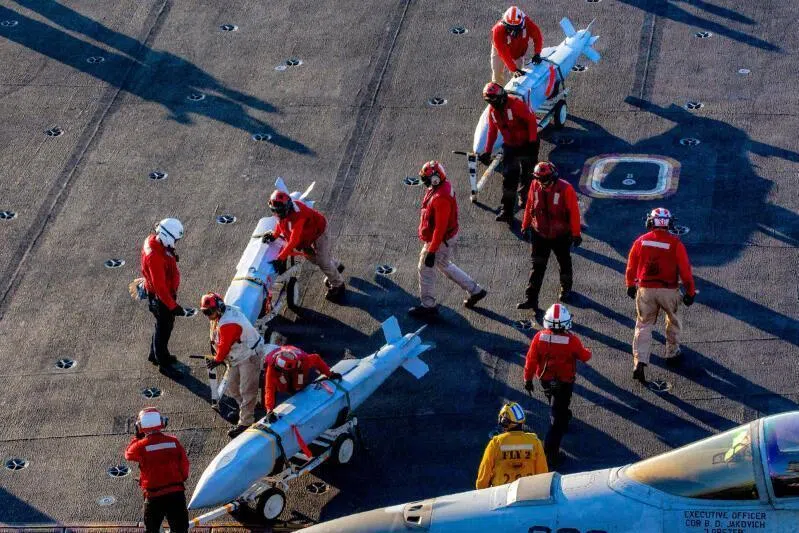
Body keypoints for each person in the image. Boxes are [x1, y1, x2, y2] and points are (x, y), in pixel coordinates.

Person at [408, 161, 487, 319]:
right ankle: (475, 290)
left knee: (425, 268)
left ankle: (428, 306)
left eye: (426, 178)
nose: (425, 182)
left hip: (439, 241)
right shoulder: (443, 187)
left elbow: (440, 228)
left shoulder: (440, 198)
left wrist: (431, 251)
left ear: (435, 179)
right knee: (444, 264)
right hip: (446, 239)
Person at [625, 208, 696, 384]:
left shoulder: (641, 241)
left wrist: (630, 285)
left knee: (643, 325)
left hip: (646, 290)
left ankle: (639, 361)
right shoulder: (675, 243)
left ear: (651, 222)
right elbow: (686, 271)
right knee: (673, 320)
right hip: (669, 290)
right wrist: (690, 292)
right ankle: (672, 353)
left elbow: (631, 266)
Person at [523, 303, 591, 468]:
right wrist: (587, 351)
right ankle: (550, 453)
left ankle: (563, 417)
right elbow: (585, 356)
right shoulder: (572, 340)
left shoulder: (539, 337)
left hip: (545, 379)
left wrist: (528, 379)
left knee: (554, 401)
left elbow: (531, 360)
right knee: (557, 418)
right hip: (565, 381)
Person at [201, 292, 274, 439]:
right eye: (205, 312)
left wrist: (216, 359)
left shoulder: (228, 323)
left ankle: (246, 422)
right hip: (236, 357)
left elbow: (225, 345)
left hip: (249, 356)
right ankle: (247, 408)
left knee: (247, 389)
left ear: (219, 307)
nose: (208, 315)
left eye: (209, 312)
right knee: (233, 388)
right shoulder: (220, 315)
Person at [518, 162, 582, 310]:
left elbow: (574, 212)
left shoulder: (566, 189)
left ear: (552, 177)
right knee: (537, 267)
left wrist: (576, 234)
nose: (541, 182)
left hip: (560, 235)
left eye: (544, 179)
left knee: (564, 263)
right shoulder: (535, 185)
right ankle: (531, 298)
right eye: (539, 179)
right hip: (539, 233)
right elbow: (529, 205)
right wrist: (525, 225)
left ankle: (565, 288)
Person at [262, 190, 346, 302]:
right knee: (313, 258)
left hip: (319, 231)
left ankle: (338, 285)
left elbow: (293, 240)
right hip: (307, 236)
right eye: (275, 212)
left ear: (287, 207)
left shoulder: (298, 215)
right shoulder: (282, 212)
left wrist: (280, 258)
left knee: (322, 261)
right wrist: (274, 235)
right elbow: (280, 223)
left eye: (279, 211)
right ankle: (335, 266)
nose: (277, 214)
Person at [478, 83, 539, 224]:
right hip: (511, 146)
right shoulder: (493, 112)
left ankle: (527, 199)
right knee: (509, 179)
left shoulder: (516, 105)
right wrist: (487, 151)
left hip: (527, 143)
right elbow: (492, 132)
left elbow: (531, 121)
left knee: (528, 174)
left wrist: (531, 142)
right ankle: (507, 210)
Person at [125, 408, 189, 533]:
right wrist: (181, 479)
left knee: (152, 530)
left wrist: (137, 437)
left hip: (154, 496)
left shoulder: (140, 446)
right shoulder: (174, 441)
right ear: (162, 423)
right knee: (180, 529)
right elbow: (185, 465)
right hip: (176, 494)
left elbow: (128, 454)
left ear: (140, 426)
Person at [140, 218, 186, 379]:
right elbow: (160, 287)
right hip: (162, 299)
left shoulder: (154, 243)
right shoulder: (155, 257)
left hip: (160, 297)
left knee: (161, 326)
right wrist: (173, 306)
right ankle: (163, 363)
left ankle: (156, 354)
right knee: (164, 328)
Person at [476, 402, 547, 489]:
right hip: (528, 493)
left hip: (500, 495)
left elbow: (484, 474)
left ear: (504, 422)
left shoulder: (495, 443)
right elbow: (543, 474)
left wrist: (481, 492)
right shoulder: (535, 442)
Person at [263, 346, 341, 418]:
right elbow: (269, 387)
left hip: (297, 368)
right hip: (281, 369)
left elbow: (316, 359)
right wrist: (269, 409)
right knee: (281, 382)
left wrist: (330, 374)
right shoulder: (273, 368)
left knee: (299, 383)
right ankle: (287, 389)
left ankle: (297, 388)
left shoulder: (304, 360)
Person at [490, 6, 543, 85]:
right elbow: (503, 53)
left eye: (515, 28)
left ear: (522, 24)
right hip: (500, 51)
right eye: (509, 28)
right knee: (497, 75)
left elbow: (537, 36)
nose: (512, 32)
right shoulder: (497, 31)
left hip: (518, 52)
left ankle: (514, 95)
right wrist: (513, 69)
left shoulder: (528, 23)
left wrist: (537, 53)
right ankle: (497, 94)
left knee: (519, 78)